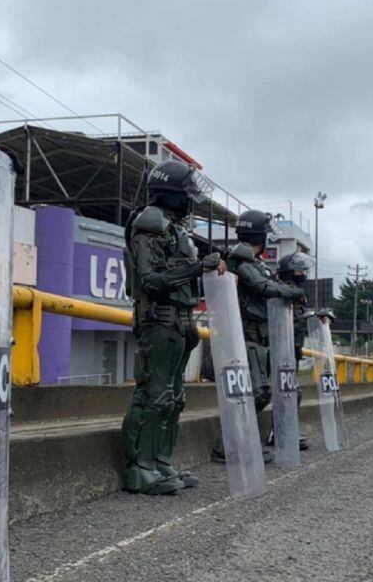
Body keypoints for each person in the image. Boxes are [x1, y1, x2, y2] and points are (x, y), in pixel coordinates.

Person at [121, 160, 225, 495]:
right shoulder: (150, 222)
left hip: (180, 318)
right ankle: (141, 467)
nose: (191, 200)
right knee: (155, 394)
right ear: (172, 194)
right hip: (159, 318)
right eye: (187, 193)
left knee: (175, 398)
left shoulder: (173, 227)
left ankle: (161, 462)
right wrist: (197, 267)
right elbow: (151, 280)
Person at [211, 210, 307, 464]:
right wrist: (293, 292)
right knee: (257, 391)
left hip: (258, 337)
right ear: (259, 235)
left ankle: (235, 444)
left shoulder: (255, 263)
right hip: (245, 335)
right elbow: (264, 288)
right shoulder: (241, 261)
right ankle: (229, 446)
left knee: (262, 391)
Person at [271, 251, 314, 451]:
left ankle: (284, 430)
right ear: (289, 272)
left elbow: (297, 320)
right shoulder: (280, 292)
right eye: (299, 270)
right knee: (284, 392)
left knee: (292, 393)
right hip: (278, 349)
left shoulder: (298, 295)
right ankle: (278, 431)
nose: (303, 274)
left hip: (292, 349)